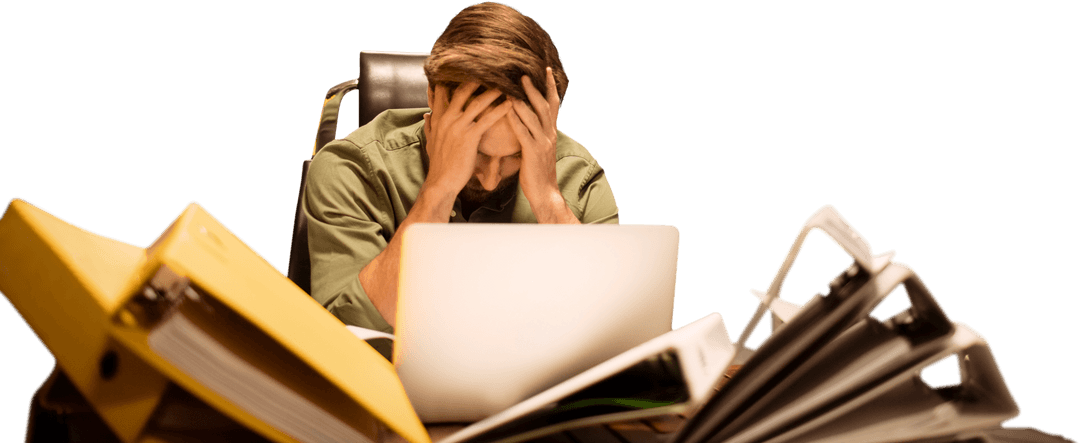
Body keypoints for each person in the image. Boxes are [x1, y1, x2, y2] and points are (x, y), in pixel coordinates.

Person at [304, 2, 620, 338]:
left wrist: (548, 199)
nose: (490, 177)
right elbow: (343, 336)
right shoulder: (352, 168)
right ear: (432, 96)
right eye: (478, 154)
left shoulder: (580, 177)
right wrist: (438, 190)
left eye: (516, 156)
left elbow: (616, 334)